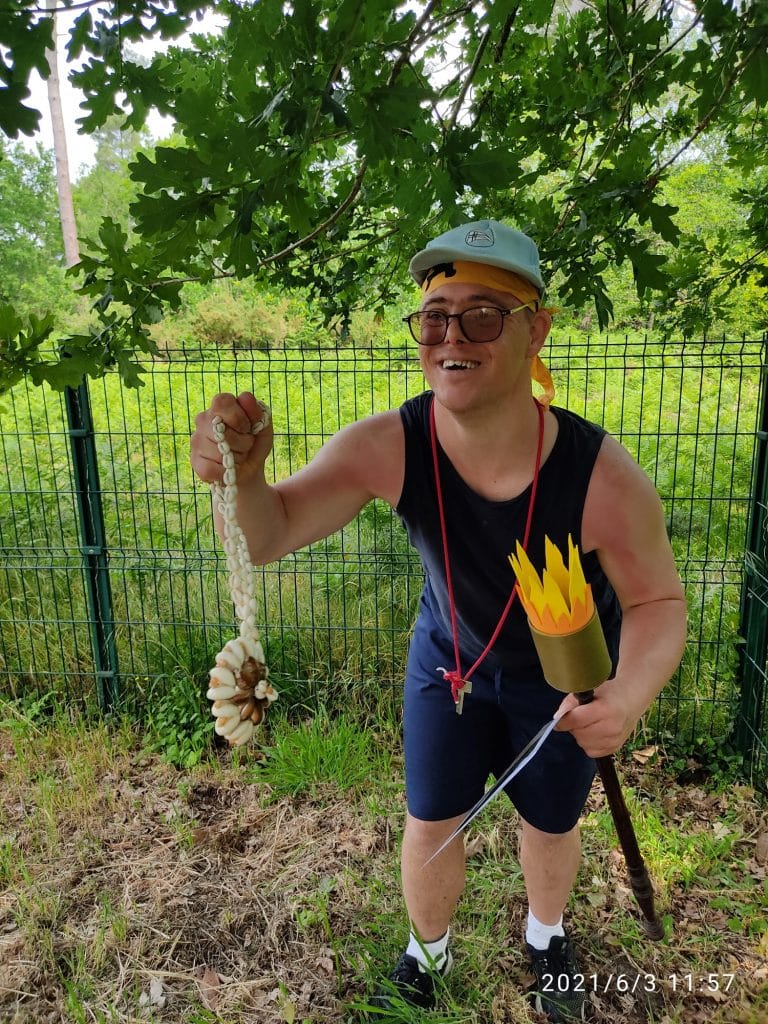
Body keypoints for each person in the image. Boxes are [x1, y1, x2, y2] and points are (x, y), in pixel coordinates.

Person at [190, 219, 687, 1022]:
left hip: (565, 682)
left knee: (551, 823)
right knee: (430, 822)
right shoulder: (389, 446)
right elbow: (270, 532)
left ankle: (547, 939)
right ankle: (427, 953)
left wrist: (626, 696)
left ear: (537, 330)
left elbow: (658, 602)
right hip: (448, 664)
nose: (453, 337)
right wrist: (241, 479)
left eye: (484, 316)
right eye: (435, 317)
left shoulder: (601, 478)